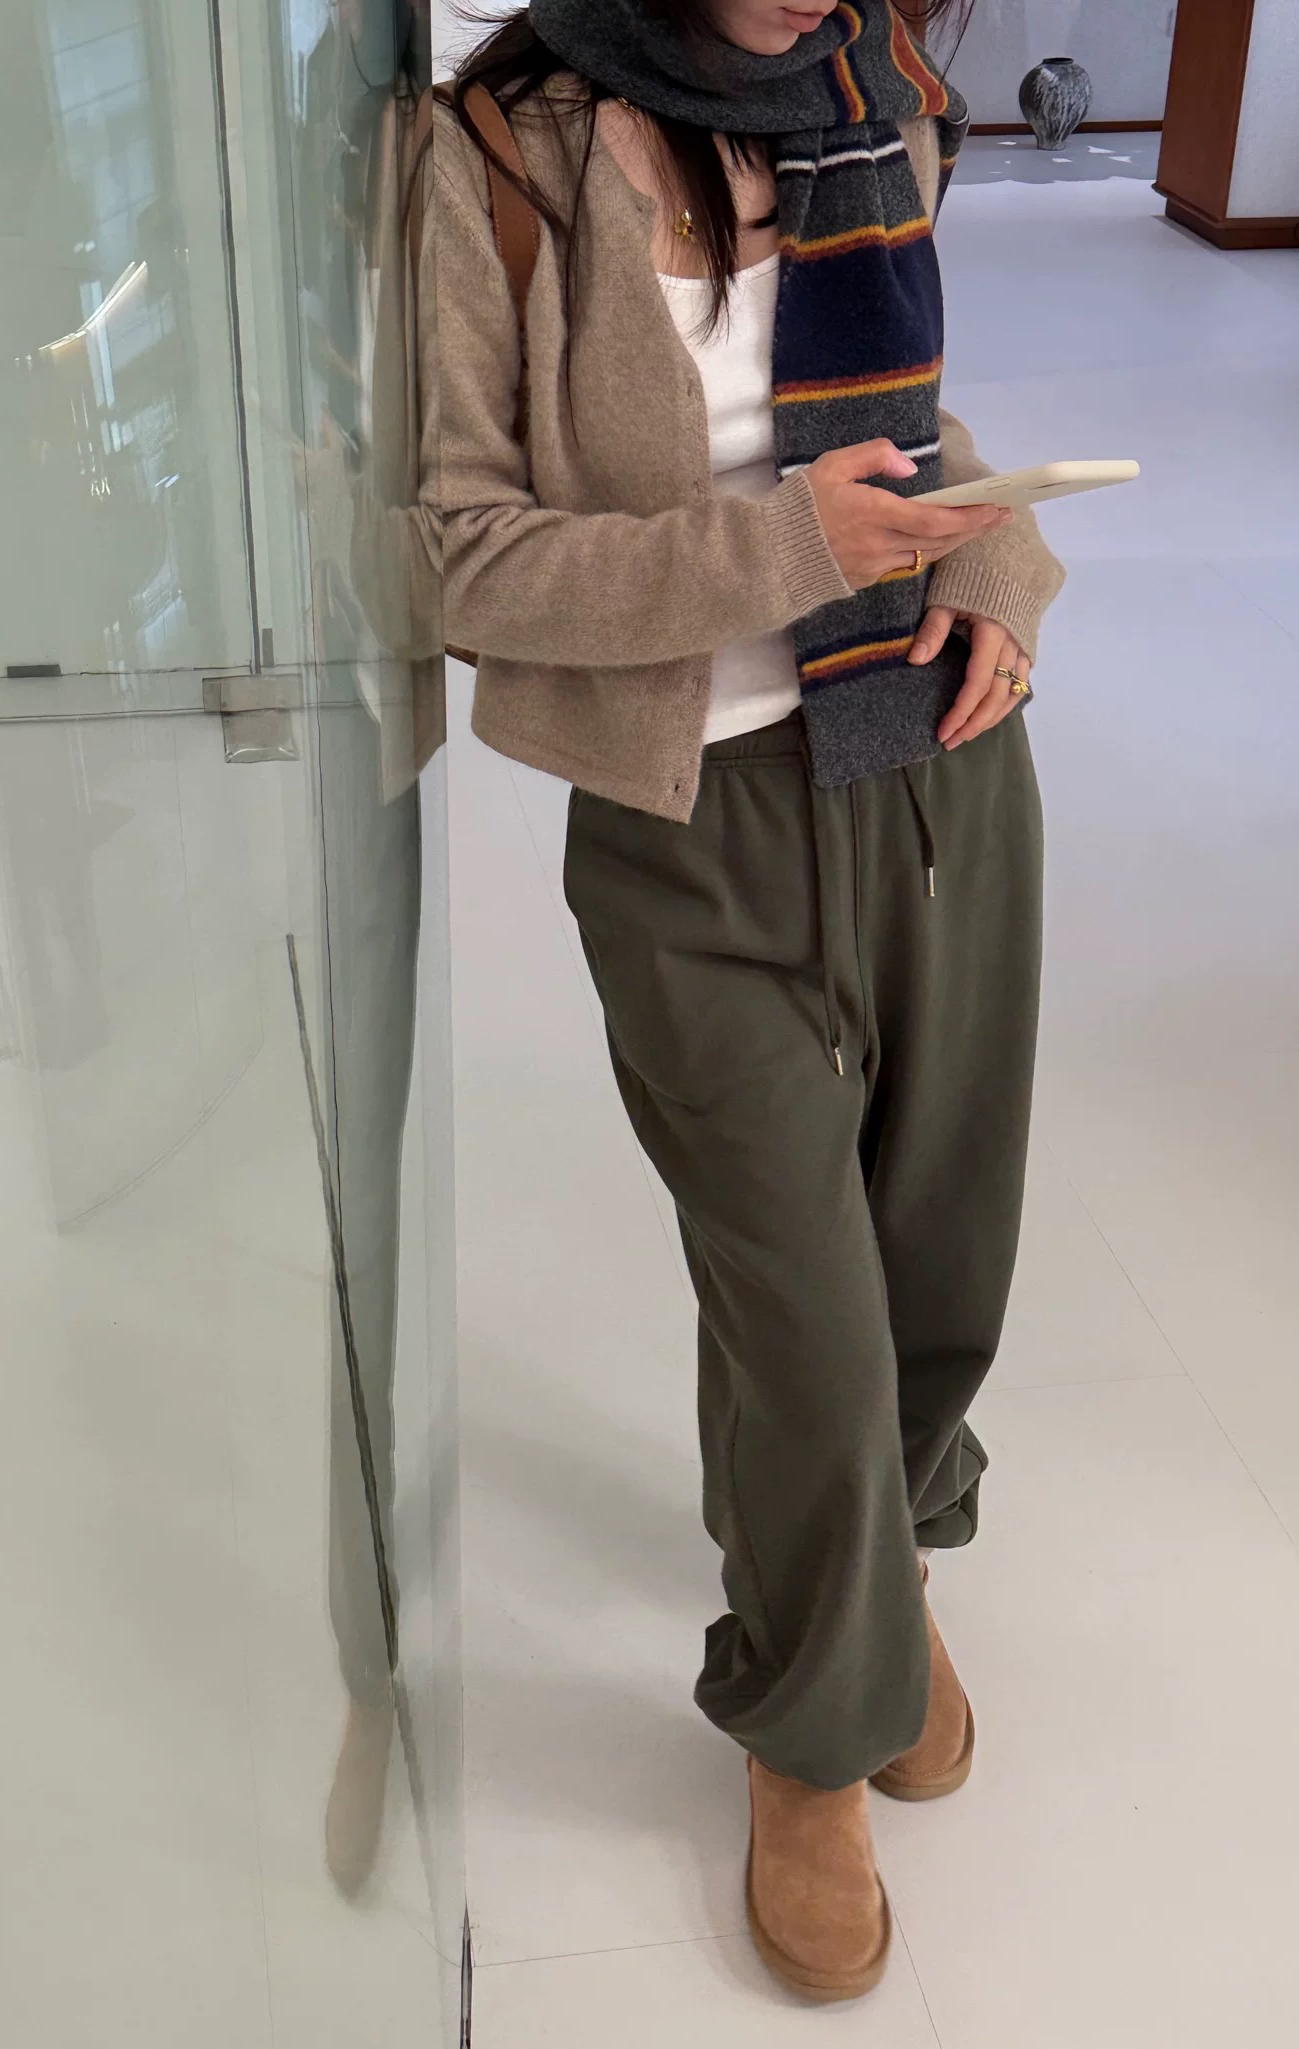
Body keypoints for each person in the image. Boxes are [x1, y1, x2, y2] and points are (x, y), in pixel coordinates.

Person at [437, 0, 1064, 2001]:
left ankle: (874, 1575)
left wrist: (1002, 576)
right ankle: (810, 1730)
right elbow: (460, 557)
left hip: (934, 770)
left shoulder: (879, 99)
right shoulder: (497, 158)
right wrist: (785, 549)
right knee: (803, 1310)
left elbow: (923, 437)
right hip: (691, 821)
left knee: (940, 1254)